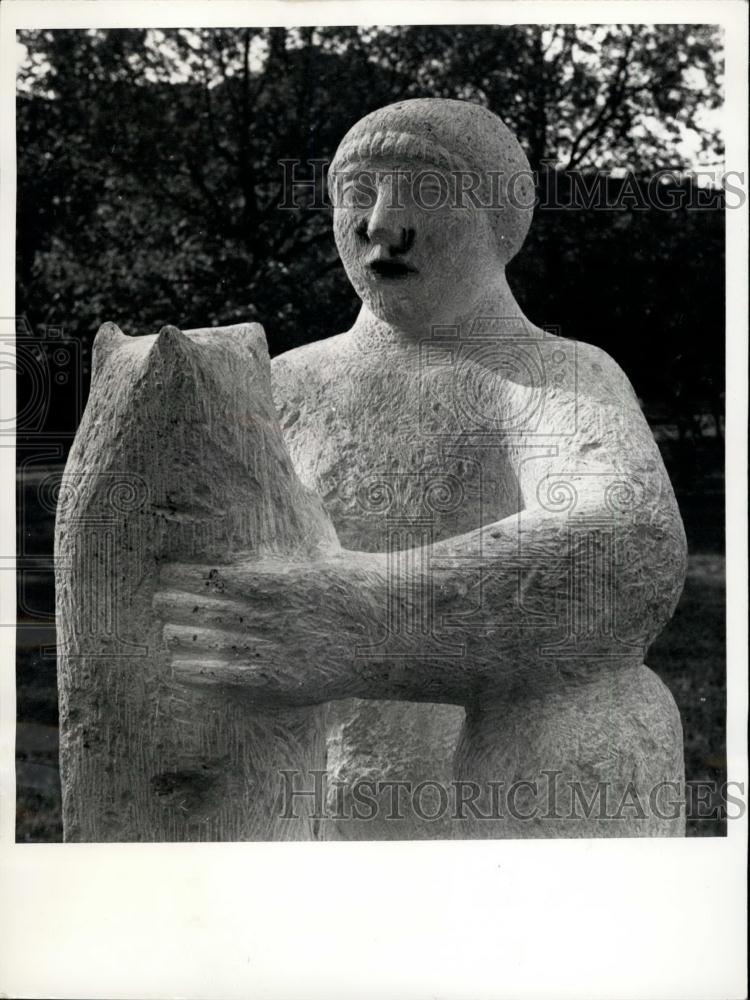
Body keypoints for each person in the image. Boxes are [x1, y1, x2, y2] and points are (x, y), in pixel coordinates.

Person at [157, 99, 687, 838]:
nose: (382, 222)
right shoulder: (278, 386)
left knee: (591, 707)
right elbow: (192, 586)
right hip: (310, 804)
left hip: (497, 814)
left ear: (499, 216)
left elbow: (625, 551)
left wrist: (364, 617)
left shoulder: (552, 375)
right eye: (356, 193)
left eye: (424, 189)